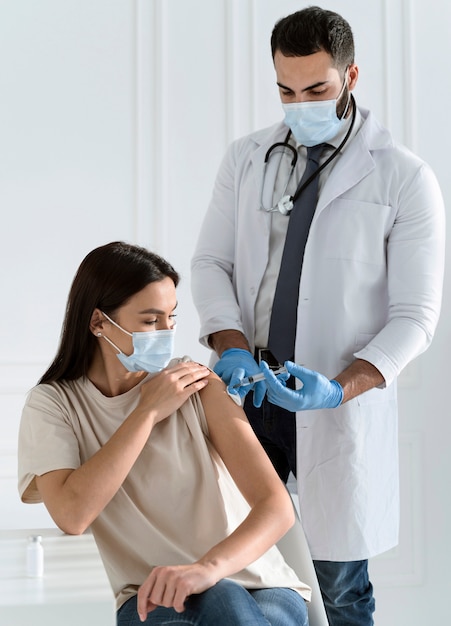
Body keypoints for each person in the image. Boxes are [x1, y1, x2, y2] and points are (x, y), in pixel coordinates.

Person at [191, 6, 445, 626]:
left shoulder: (403, 176)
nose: (297, 103)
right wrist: (231, 347)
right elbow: (210, 264)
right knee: (239, 574)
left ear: (351, 75)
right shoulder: (247, 157)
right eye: (284, 89)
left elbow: (416, 316)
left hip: (335, 413)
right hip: (249, 402)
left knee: (339, 590)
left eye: (316, 89)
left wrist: (338, 390)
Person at [17, 241, 311, 626]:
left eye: (172, 317)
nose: (167, 332)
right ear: (98, 322)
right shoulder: (53, 406)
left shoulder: (197, 384)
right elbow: (73, 514)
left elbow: (276, 506)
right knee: (224, 602)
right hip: (150, 597)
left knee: (226, 598)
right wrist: (147, 411)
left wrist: (205, 570)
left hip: (259, 586)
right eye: (151, 321)